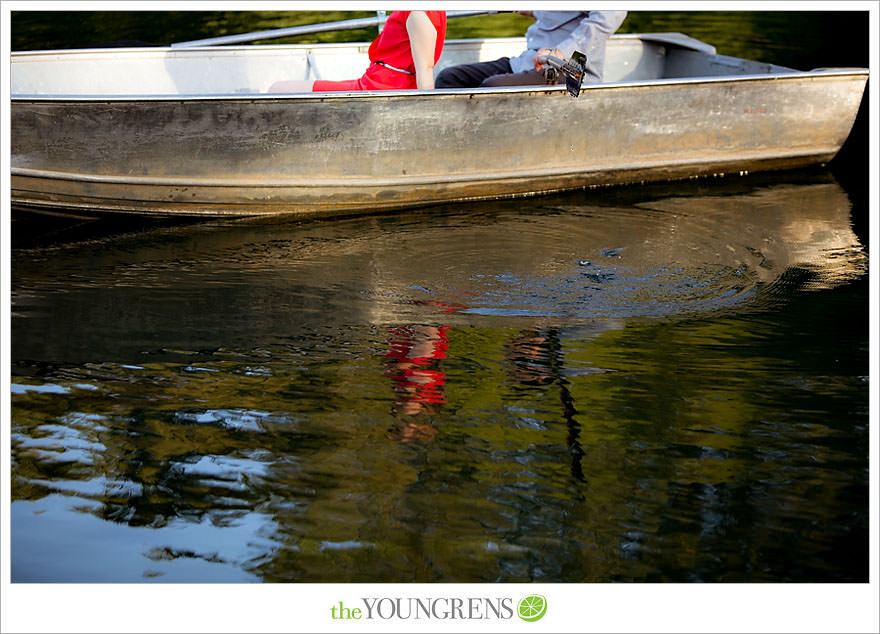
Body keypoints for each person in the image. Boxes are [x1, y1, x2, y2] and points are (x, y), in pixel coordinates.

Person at [435, 10, 626, 89]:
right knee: (449, 77)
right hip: (528, 61)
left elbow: (609, 16)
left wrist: (560, 52)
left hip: (568, 70)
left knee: (492, 88)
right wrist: (534, 10)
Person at [269, 11, 446, 93]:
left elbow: (425, 70)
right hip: (376, 83)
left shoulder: (418, 13)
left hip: (379, 88)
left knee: (278, 89)